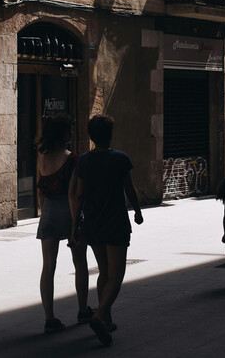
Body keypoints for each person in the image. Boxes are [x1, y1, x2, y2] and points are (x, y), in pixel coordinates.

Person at [71, 115, 143, 346]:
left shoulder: (84, 160)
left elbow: (79, 194)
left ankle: (107, 321)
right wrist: (138, 211)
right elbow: (129, 189)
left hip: (93, 222)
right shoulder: (120, 159)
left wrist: (74, 225)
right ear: (110, 134)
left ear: (91, 136)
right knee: (117, 275)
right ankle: (100, 314)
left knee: (104, 271)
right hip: (115, 221)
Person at [35, 114, 91, 333]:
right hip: (68, 213)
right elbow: (72, 194)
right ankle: (83, 309)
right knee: (80, 263)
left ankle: (50, 318)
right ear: (62, 133)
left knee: (48, 267)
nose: (71, 133)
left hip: (48, 211)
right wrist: (75, 223)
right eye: (69, 130)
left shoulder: (41, 155)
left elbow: (40, 187)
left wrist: (43, 212)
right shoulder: (72, 158)